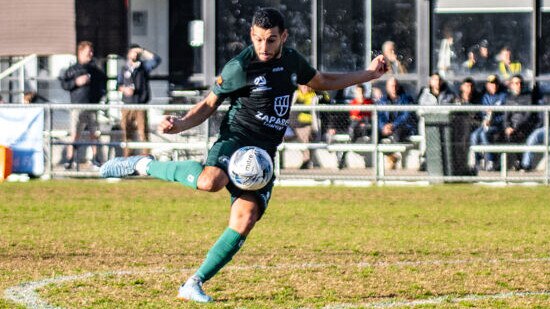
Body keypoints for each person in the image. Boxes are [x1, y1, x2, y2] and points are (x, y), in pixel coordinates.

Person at [99, 8, 388, 303]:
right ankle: (143, 164)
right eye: (259, 39)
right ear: (252, 35)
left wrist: (368, 74)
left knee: (245, 217)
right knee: (210, 181)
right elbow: (209, 103)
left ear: (283, 37)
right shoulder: (239, 66)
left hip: (263, 153)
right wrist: (182, 124)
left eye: (272, 40)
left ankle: (193, 283)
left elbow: (322, 81)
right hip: (236, 139)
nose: (264, 46)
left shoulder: (292, 61)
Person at [59, 41, 106, 169]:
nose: (91, 54)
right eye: (88, 52)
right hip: (77, 106)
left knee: (94, 134)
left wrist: (100, 96)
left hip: (93, 107)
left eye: (92, 51)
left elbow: (103, 84)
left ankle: (96, 159)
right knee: (75, 134)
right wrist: (76, 82)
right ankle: (69, 160)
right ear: (80, 52)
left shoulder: (95, 70)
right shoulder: (72, 69)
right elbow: (64, 84)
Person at [117, 44, 161, 157]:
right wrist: (125, 90)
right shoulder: (123, 68)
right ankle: (127, 158)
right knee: (127, 132)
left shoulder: (143, 67)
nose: (135, 54)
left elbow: (156, 60)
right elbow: (118, 85)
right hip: (126, 105)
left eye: (137, 53)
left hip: (140, 105)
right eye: (133, 52)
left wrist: (142, 50)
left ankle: (146, 158)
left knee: (143, 131)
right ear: (128, 53)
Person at [470, 74, 507, 171]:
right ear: (487, 85)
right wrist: (486, 119)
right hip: (486, 124)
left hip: (498, 125)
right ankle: (477, 162)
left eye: (495, 84)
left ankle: (490, 161)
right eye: (491, 84)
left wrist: (494, 120)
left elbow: (505, 115)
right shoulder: (485, 97)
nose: (493, 86)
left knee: (483, 134)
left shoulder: (503, 96)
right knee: (474, 135)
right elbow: (483, 113)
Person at [377, 77, 416, 169]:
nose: (393, 88)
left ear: (398, 87)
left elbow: (405, 116)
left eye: (395, 85)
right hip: (387, 128)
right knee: (374, 134)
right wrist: (383, 126)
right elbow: (380, 116)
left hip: (402, 127)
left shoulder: (406, 99)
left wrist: (393, 125)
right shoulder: (382, 101)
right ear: (387, 88)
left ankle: (392, 157)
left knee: (397, 133)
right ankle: (389, 158)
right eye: (391, 86)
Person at [289, 84, 330, 169]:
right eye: (303, 86)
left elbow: (327, 99)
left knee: (308, 135)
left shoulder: (314, 95)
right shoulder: (296, 94)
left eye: (307, 86)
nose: (305, 88)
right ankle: (306, 160)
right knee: (304, 136)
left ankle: (307, 160)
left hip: (309, 124)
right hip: (295, 124)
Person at [503, 74, 535, 169]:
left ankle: (520, 162)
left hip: (523, 127)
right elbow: (506, 116)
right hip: (511, 127)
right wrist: (507, 127)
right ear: (511, 85)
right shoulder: (509, 98)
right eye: (516, 83)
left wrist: (515, 128)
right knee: (499, 135)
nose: (518, 85)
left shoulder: (528, 97)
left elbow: (528, 116)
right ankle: (502, 164)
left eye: (520, 83)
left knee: (517, 136)